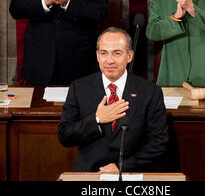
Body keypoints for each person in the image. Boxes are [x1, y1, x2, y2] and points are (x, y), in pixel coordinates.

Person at [58, 27, 169, 173]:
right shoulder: (79, 88)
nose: (109, 60)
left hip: (132, 172)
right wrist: (97, 119)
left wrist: (122, 167)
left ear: (129, 56)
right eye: (104, 53)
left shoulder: (149, 92)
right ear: (97, 56)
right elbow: (65, 136)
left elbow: (159, 142)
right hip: (90, 173)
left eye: (117, 53)